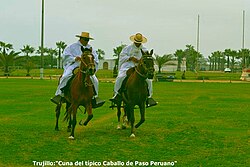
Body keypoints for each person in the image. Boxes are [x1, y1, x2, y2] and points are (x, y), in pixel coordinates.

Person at [51, 32, 105, 108]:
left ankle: (94, 97)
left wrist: (91, 65)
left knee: (95, 80)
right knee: (65, 76)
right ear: (80, 39)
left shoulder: (91, 48)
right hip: (74, 66)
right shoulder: (71, 47)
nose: (87, 41)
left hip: (86, 67)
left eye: (88, 40)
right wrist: (74, 58)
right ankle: (60, 94)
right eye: (85, 39)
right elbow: (65, 56)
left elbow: (95, 59)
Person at [110, 33, 157, 107]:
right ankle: (117, 95)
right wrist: (130, 58)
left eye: (139, 42)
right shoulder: (127, 48)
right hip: (128, 66)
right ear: (134, 41)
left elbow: (148, 59)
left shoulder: (145, 50)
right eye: (136, 42)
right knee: (120, 77)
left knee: (148, 80)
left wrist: (141, 61)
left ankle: (149, 97)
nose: (137, 44)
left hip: (140, 69)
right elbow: (122, 57)